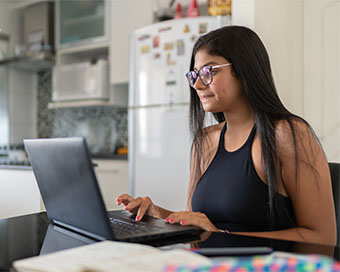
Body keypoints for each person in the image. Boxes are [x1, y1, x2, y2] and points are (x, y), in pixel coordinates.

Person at [117, 26, 337, 246]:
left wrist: (221, 235)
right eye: (194, 74)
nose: (197, 84)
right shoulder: (204, 141)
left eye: (209, 72)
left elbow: (322, 240)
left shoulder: (288, 135)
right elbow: (197, 226)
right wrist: (158, 215)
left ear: (244, 70)